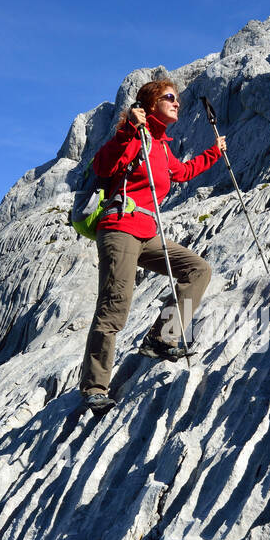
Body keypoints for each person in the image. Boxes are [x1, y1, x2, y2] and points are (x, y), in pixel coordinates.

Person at [79, 77, 226, 412]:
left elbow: (184, 172)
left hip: (146, 232)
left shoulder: (160, 146)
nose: (177, 103)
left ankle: (162, 338)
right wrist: (128, 130)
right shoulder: (136, 137)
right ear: (150, 104)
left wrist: (216, 152)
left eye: (177, 99)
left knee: (197, 270)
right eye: (169, 97)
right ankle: (94, 386)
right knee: (115, 305)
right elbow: (104, 164)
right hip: (119, 228)